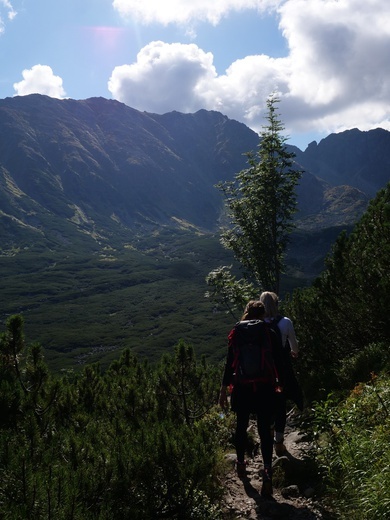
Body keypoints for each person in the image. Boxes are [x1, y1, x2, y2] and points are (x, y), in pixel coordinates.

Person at [219, 300, 285, 497]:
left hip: (242, 388)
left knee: (241, 425)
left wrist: (223, 389)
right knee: (264, 429)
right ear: (263, 314)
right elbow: (279, 361)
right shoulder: (269, 332)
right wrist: (280, 384)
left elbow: (230, 363)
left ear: (246, 312)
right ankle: (266, 470)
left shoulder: (236, 332)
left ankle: (240, 463)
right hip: (265, 387)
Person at [259, 291, 302, 457]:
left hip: (263, 371)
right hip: (281, 370)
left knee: (265, 404)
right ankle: (278, 442)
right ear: (277, 304)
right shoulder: (285, 322)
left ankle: (267, 433)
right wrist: (294, 353)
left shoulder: (257, 323)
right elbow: (294, 345)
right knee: (280, 404)